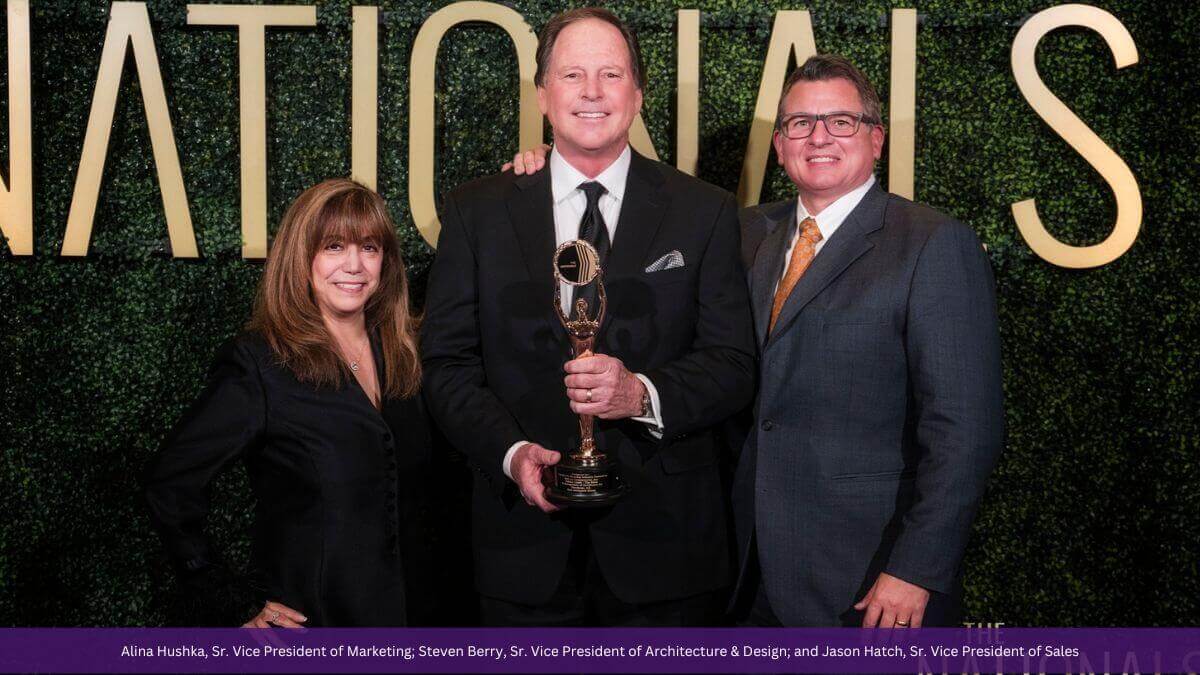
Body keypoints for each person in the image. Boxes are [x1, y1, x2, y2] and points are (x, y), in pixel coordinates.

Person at [420, 7, 756, 626]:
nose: (593, 93)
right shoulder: (478, 211)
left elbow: (733, 363)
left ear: (637, 92)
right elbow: (446, 364)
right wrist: (513, 452)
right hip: (521, 551)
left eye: (611, 74)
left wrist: (642, 394)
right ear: (544, 94)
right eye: (573, 76)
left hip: (667, 553)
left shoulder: (703, 211)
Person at [727, 55, 1004, 627]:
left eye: (841, 121)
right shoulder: (743, 234)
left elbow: (965, 429)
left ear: (876, 139)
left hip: (867, 580)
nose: (819, 136)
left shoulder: (932, 242)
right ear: (780, 145)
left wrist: (916, 569)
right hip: (745, 573)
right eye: (800, 123)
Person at [145, 178, 430, 627]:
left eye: (370, 248)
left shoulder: (407, 352)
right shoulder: (260, 363)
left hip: (416, 619)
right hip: (313, 623)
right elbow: (169, 484)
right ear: (302, 258)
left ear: (386, 263)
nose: (354, 265)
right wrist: (232, 598)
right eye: (334, 247)